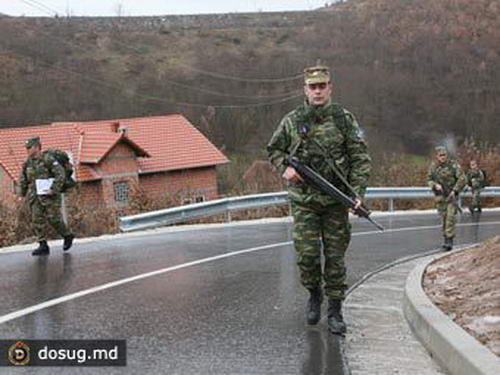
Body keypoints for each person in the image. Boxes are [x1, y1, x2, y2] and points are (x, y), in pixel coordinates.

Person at [267, 65, 371, 334]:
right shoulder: (293, 120)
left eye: (322, 86)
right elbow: (274, 149)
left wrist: (356, 194)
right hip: (304, 202)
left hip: (336, 202)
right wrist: (285, 168)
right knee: (307, 256)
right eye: (312, 86)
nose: (317, 91)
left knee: (335, 258)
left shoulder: (344, 119)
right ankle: (314, 294)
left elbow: (360, 159)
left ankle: (335, 310)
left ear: (330, 88)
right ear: (305, 89)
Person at [19, 137, 74, 256]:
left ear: (37, 147)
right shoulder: (27, 163)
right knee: (37, 220)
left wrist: (54, 189)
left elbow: (60, 174)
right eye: (26, 148)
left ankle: (67, 235)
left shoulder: (48, 159)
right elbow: (23, 180)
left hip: (50, 196)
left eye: (29, 147)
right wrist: (21, 194)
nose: (27, 150)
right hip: (35, 196)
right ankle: (43, 245)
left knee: (54, 219)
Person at [427, 146, 466, 251]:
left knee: (450, 218)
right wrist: (435, 185)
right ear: (437, 156)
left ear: (446, 155)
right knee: (443, 219)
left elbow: (462, 178)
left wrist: (455, 190)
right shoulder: (433, 167)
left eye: (444, 155)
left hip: (451, 196)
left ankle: (449, 240)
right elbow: (429, 179)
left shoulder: (453, 165)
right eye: (440, 155)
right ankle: (445, 239)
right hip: (440, 197)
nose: (442, 157)